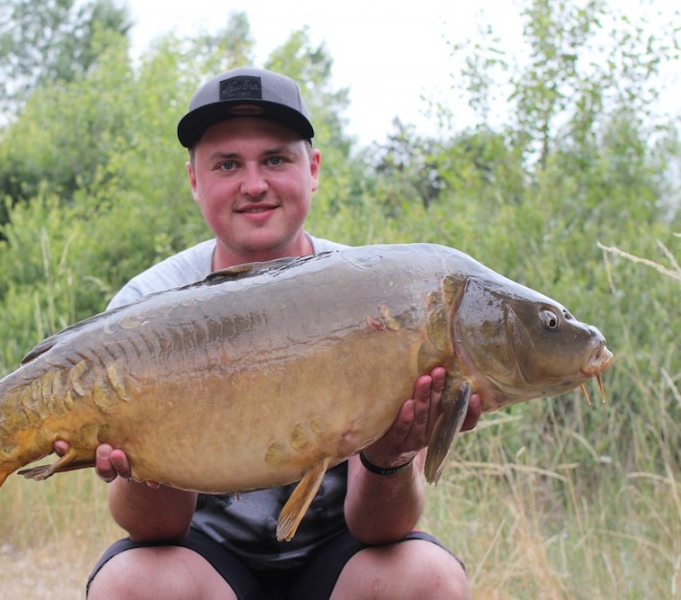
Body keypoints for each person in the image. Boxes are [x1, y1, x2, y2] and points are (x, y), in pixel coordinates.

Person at [73, 66, 482, 599]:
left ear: (311, 169)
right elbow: (153, 531)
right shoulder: (145, 310)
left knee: (432, 579)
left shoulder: (387, 299)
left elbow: (380, 530)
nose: (254, 184)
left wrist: (391, 458)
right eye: (227, 164)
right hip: (206, 561)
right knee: (131, 585)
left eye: (275, 159)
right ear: (195, 180)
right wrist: (147, 461)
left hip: (341, 558)